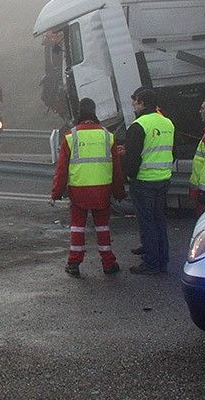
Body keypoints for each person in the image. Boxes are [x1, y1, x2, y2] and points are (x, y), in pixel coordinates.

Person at [51, 98, 125, 278]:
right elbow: (116, 169)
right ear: (94, 111)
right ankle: (108, 263)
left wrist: (56, 192)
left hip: (78, 191)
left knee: (77, 228)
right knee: (102, 227)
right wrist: (119, 191)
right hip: (103, 190)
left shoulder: (71, 136)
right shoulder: (108, 136)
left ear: (79, 113)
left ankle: (74, 262)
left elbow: (61, 170)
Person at [125, 87, 175, 275]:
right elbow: (172, 151)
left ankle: (151, 263)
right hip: (163, 178)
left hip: (144, 181)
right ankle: (163, 259)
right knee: (159, 221)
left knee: (147, 223)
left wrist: (130, 176)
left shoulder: (138, 125)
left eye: (135, 102)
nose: (133, 105)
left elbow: (133, 158)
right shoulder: (168, 123)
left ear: (141, 102)